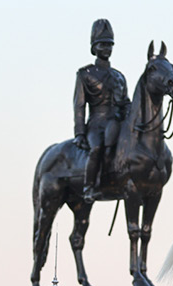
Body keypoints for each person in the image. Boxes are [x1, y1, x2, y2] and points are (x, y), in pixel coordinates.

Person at [73, 18, 129, 201]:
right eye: (102, 44)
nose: (106, 48)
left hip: (116, 122)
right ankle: (89, 186)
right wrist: (80, 133)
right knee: (97, 148)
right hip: (97, 123)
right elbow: (79, 105)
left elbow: (125, 103)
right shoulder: (85, 74)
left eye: (109, 45)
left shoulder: (119, 77)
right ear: (94, 48)